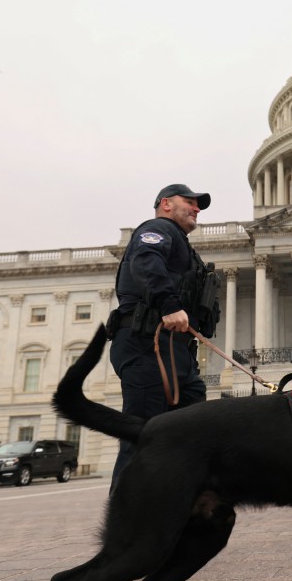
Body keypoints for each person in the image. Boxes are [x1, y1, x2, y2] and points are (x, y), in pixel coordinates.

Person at [106, 184, 220, 489]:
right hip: (147, 345)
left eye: (199, 205)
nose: (197, 208)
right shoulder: (157, 230)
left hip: (177, 352)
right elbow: (146, 260)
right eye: (190, 202)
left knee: (191, 433)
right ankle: (128, 519)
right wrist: (169, 304)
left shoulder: (184, 248)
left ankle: (179, 507)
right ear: (166, 203)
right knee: (145, 435)